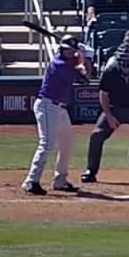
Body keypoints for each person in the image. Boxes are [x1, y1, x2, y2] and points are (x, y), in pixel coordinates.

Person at [81, 31, 129, 184]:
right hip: (115, 108)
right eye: (123, 61)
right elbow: (104, 95)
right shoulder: (110, 72)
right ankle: (91, 170)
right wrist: (108, 115)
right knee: (96, 135)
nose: (126, 65)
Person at [23, 36, 87, 195]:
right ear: (61, 49)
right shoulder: (58, 64)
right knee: (47, 143)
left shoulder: (70, 63)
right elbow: (76, 73)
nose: (70, 53)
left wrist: (83, 59)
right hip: (47, 105)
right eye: (67, 50)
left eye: (72, 50)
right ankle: (31, 181)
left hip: (60, 108)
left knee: (67, 144)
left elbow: (85, 78)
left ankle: (60, 180)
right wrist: (82, 59)